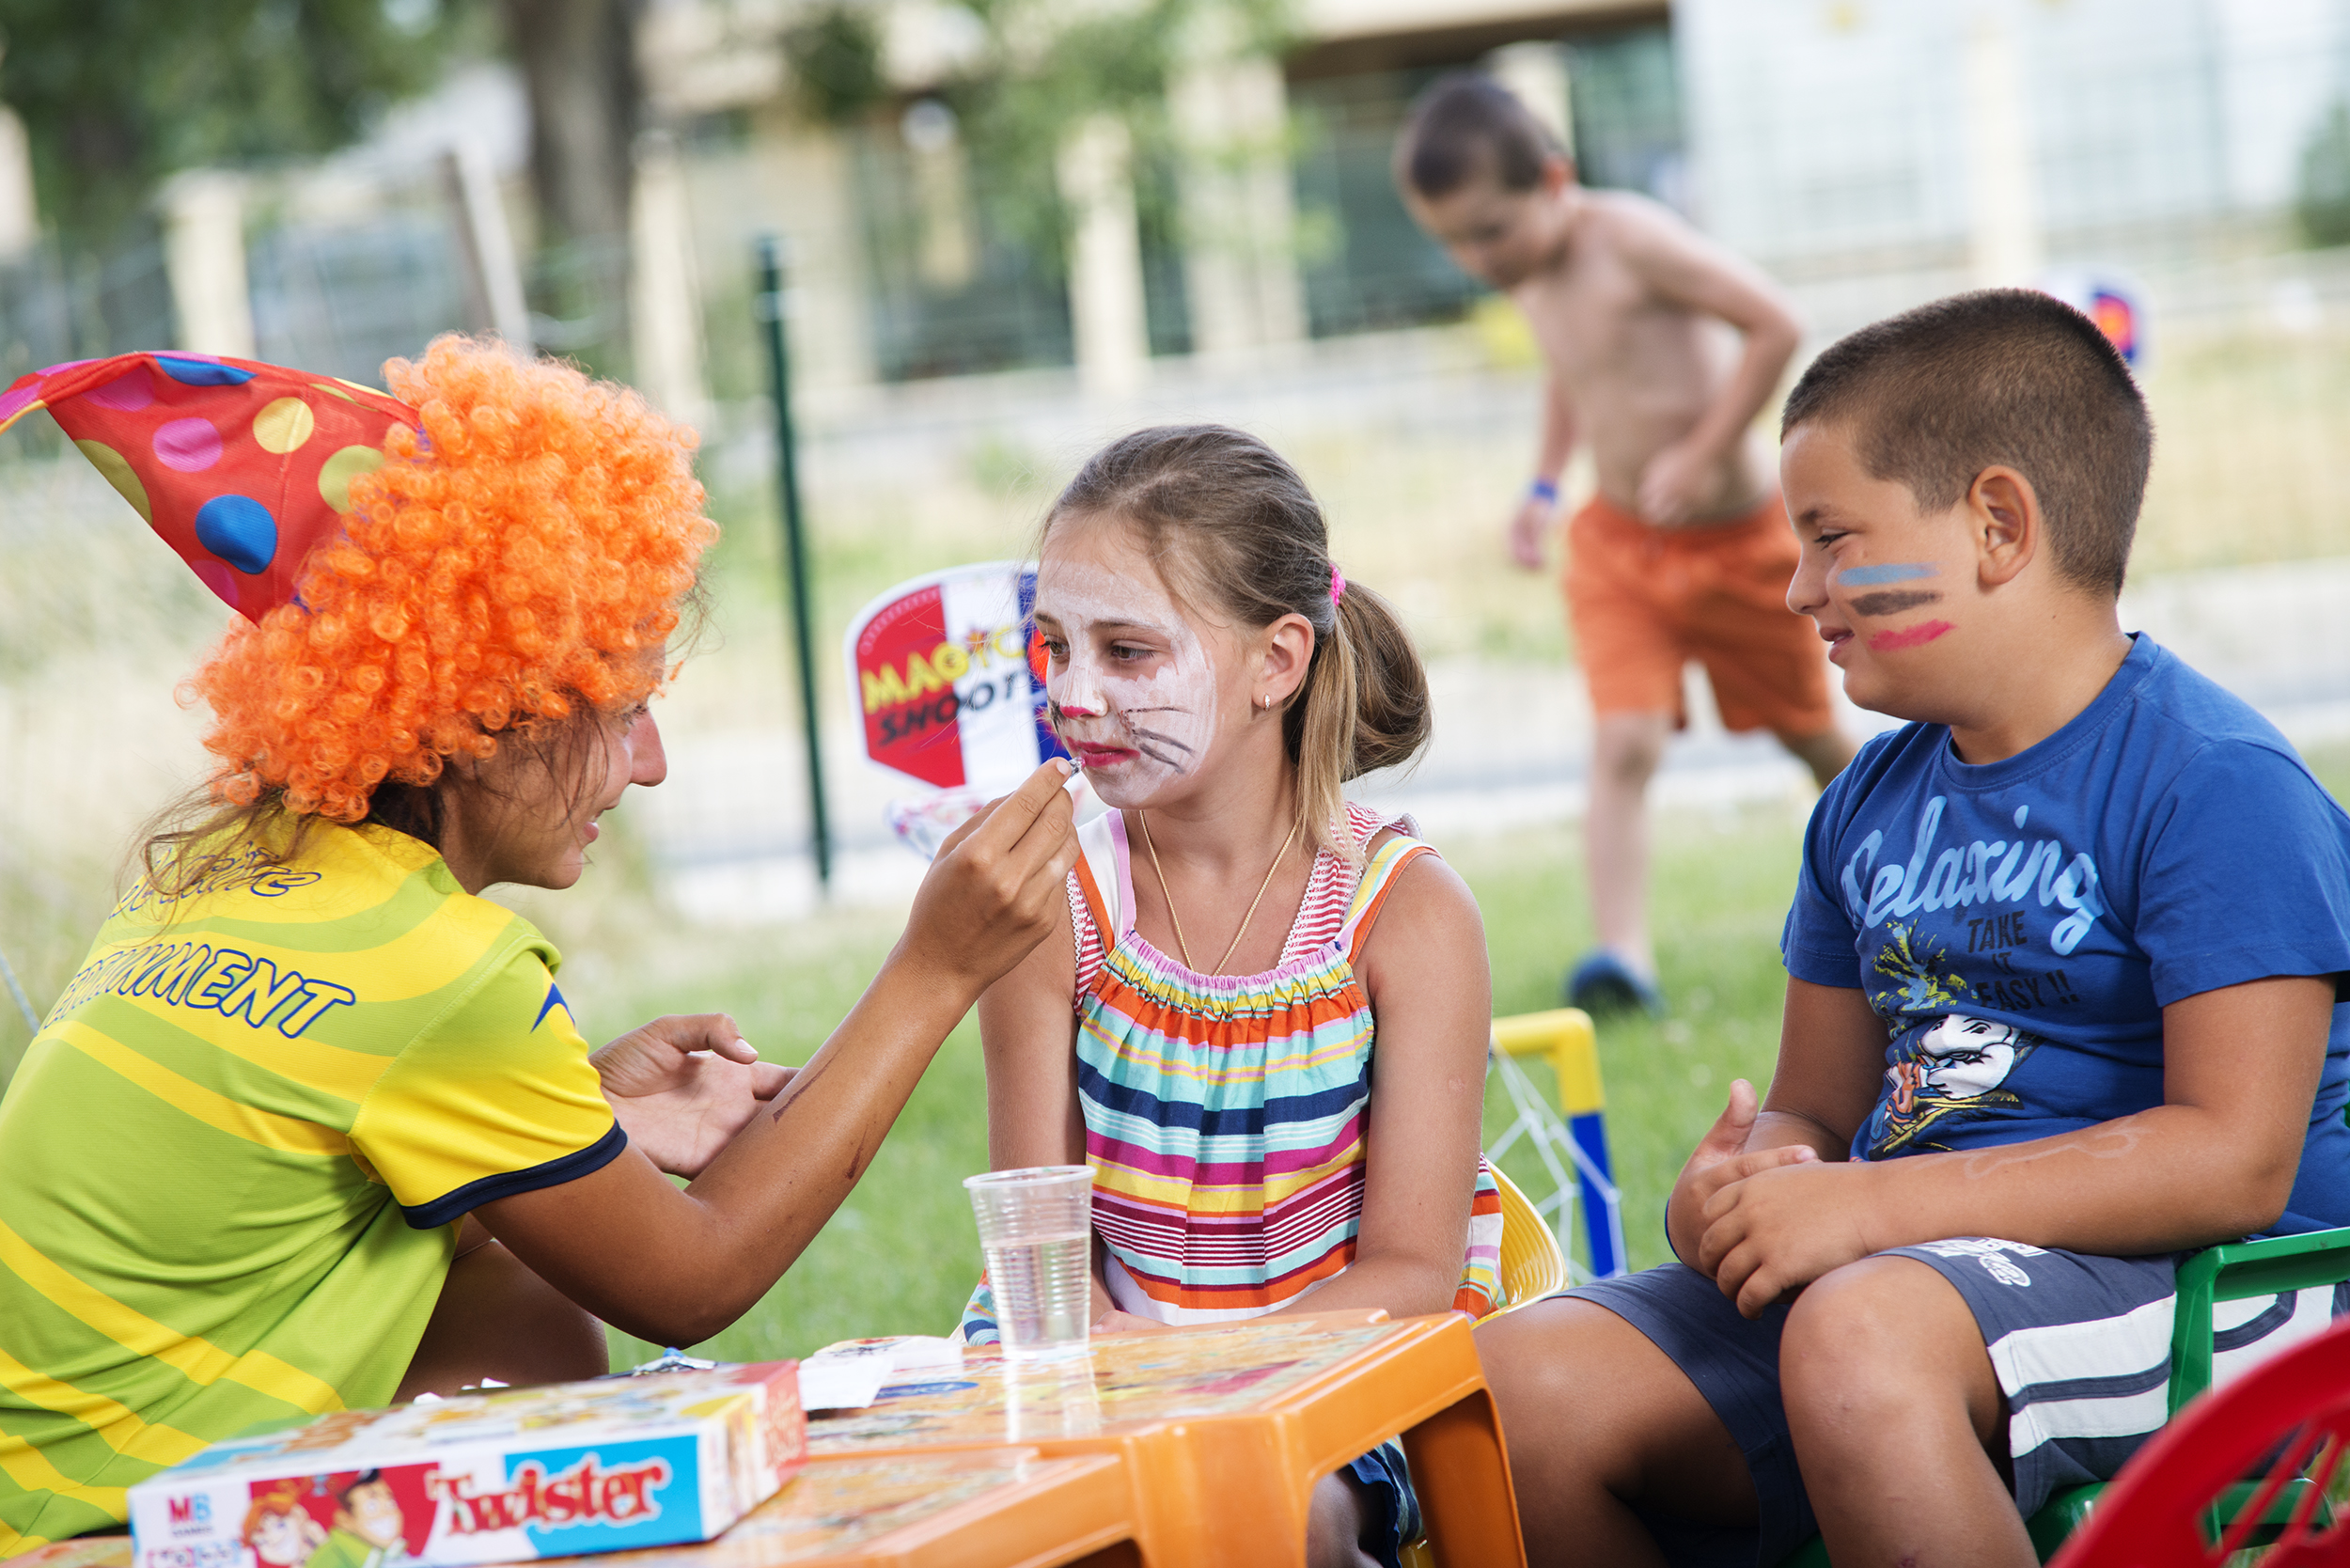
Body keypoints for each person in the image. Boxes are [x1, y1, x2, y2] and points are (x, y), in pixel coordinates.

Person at [0, 339, 1078, 1553]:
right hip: (89, 1538)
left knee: (511, 1278)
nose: (650, 764)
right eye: (621, 710)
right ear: (475, 714)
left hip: (36, 1502)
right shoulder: (434, 970)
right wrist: (938, 968)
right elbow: (692, 1283)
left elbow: (276, 1201)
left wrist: (584, 1125)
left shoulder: (234, 879)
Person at [1473, 289, 2350, 1568]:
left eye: (1831, 539)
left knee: (1859, 1335)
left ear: (1998, 525)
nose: (1797, 590)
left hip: (2223, 1294)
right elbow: (1812, 1113)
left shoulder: (2214, 783)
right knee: (1514, 1391)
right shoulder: (1863, 808)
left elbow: (2234, 1161)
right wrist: (1754, 1187)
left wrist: (1872, 1208)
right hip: (1906, 1278)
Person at [962, 426, 1503, 1568]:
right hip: (1095, 1364)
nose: (1072, 694)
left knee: (1258, 1518)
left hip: (1336, 1383)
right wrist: (1128, 1378)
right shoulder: (1047, 900)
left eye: (1126, 651)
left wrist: (1197, 1382)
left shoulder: (1406, 915)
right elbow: (1041, 1252)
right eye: (1053, 646)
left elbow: (1412, 1272)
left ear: (1277, 662)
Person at [1393, 73, 1856, 1014]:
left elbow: (1775, 324)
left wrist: (1703, 451)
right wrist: (1541, 485)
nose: (1477, 258)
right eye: (1452, 242)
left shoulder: (1633, 240)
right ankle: (1621, 958)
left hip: (1739, 547)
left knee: (1809, 733)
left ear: (1553, 179)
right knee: (1622, 740)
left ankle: (1904, 879)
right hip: (1617, 547)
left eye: (1489, 230)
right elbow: (1574, 375)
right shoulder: (1531, 275)